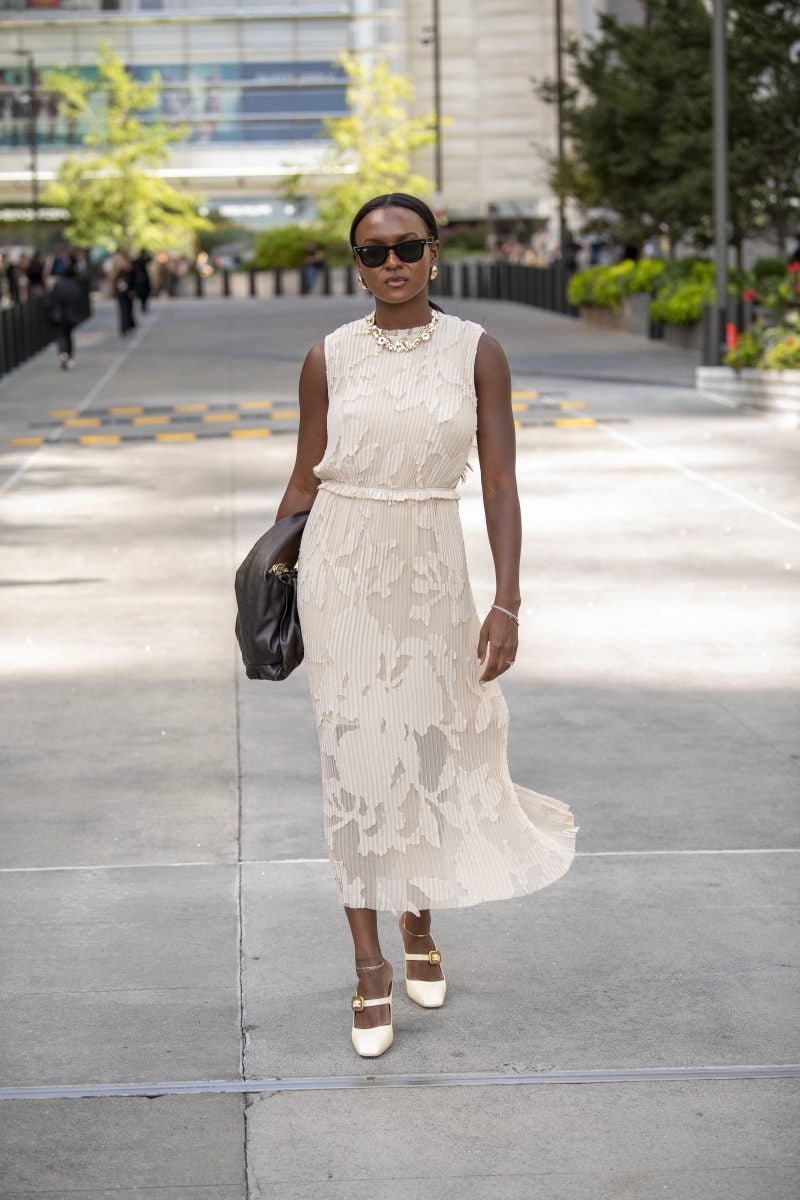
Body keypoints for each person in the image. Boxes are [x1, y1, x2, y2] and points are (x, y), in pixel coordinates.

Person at [273, 193, 577, 1059]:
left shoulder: (478, 352)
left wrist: (508, 598)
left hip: (433, 565)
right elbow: (305, 479)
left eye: (407, 247)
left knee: (429, 747)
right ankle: (369, 967)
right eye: (373, 253)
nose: (392, 263)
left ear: (435, 254)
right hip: (342, 567)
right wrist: (263, 581)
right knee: (357, 758)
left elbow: (500, 484)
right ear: (356, 264)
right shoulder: (327, 358)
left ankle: (419, 919)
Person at [47, 258, 84, 369]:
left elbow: (52, 300)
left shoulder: (58, 285)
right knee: (68, 336)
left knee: (61, 336)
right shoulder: (75, 286)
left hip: (59, 316)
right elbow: (79, 302)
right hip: (70, 316)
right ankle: (68, 356)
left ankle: (64, 354)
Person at [112, 253, 136, 336]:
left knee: (128, 309)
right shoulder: (119, 271)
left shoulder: (128, 270)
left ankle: (128, 325)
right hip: (122, 293)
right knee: (124, 310)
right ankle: (124, 327)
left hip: (127, 291)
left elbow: (133, 280)